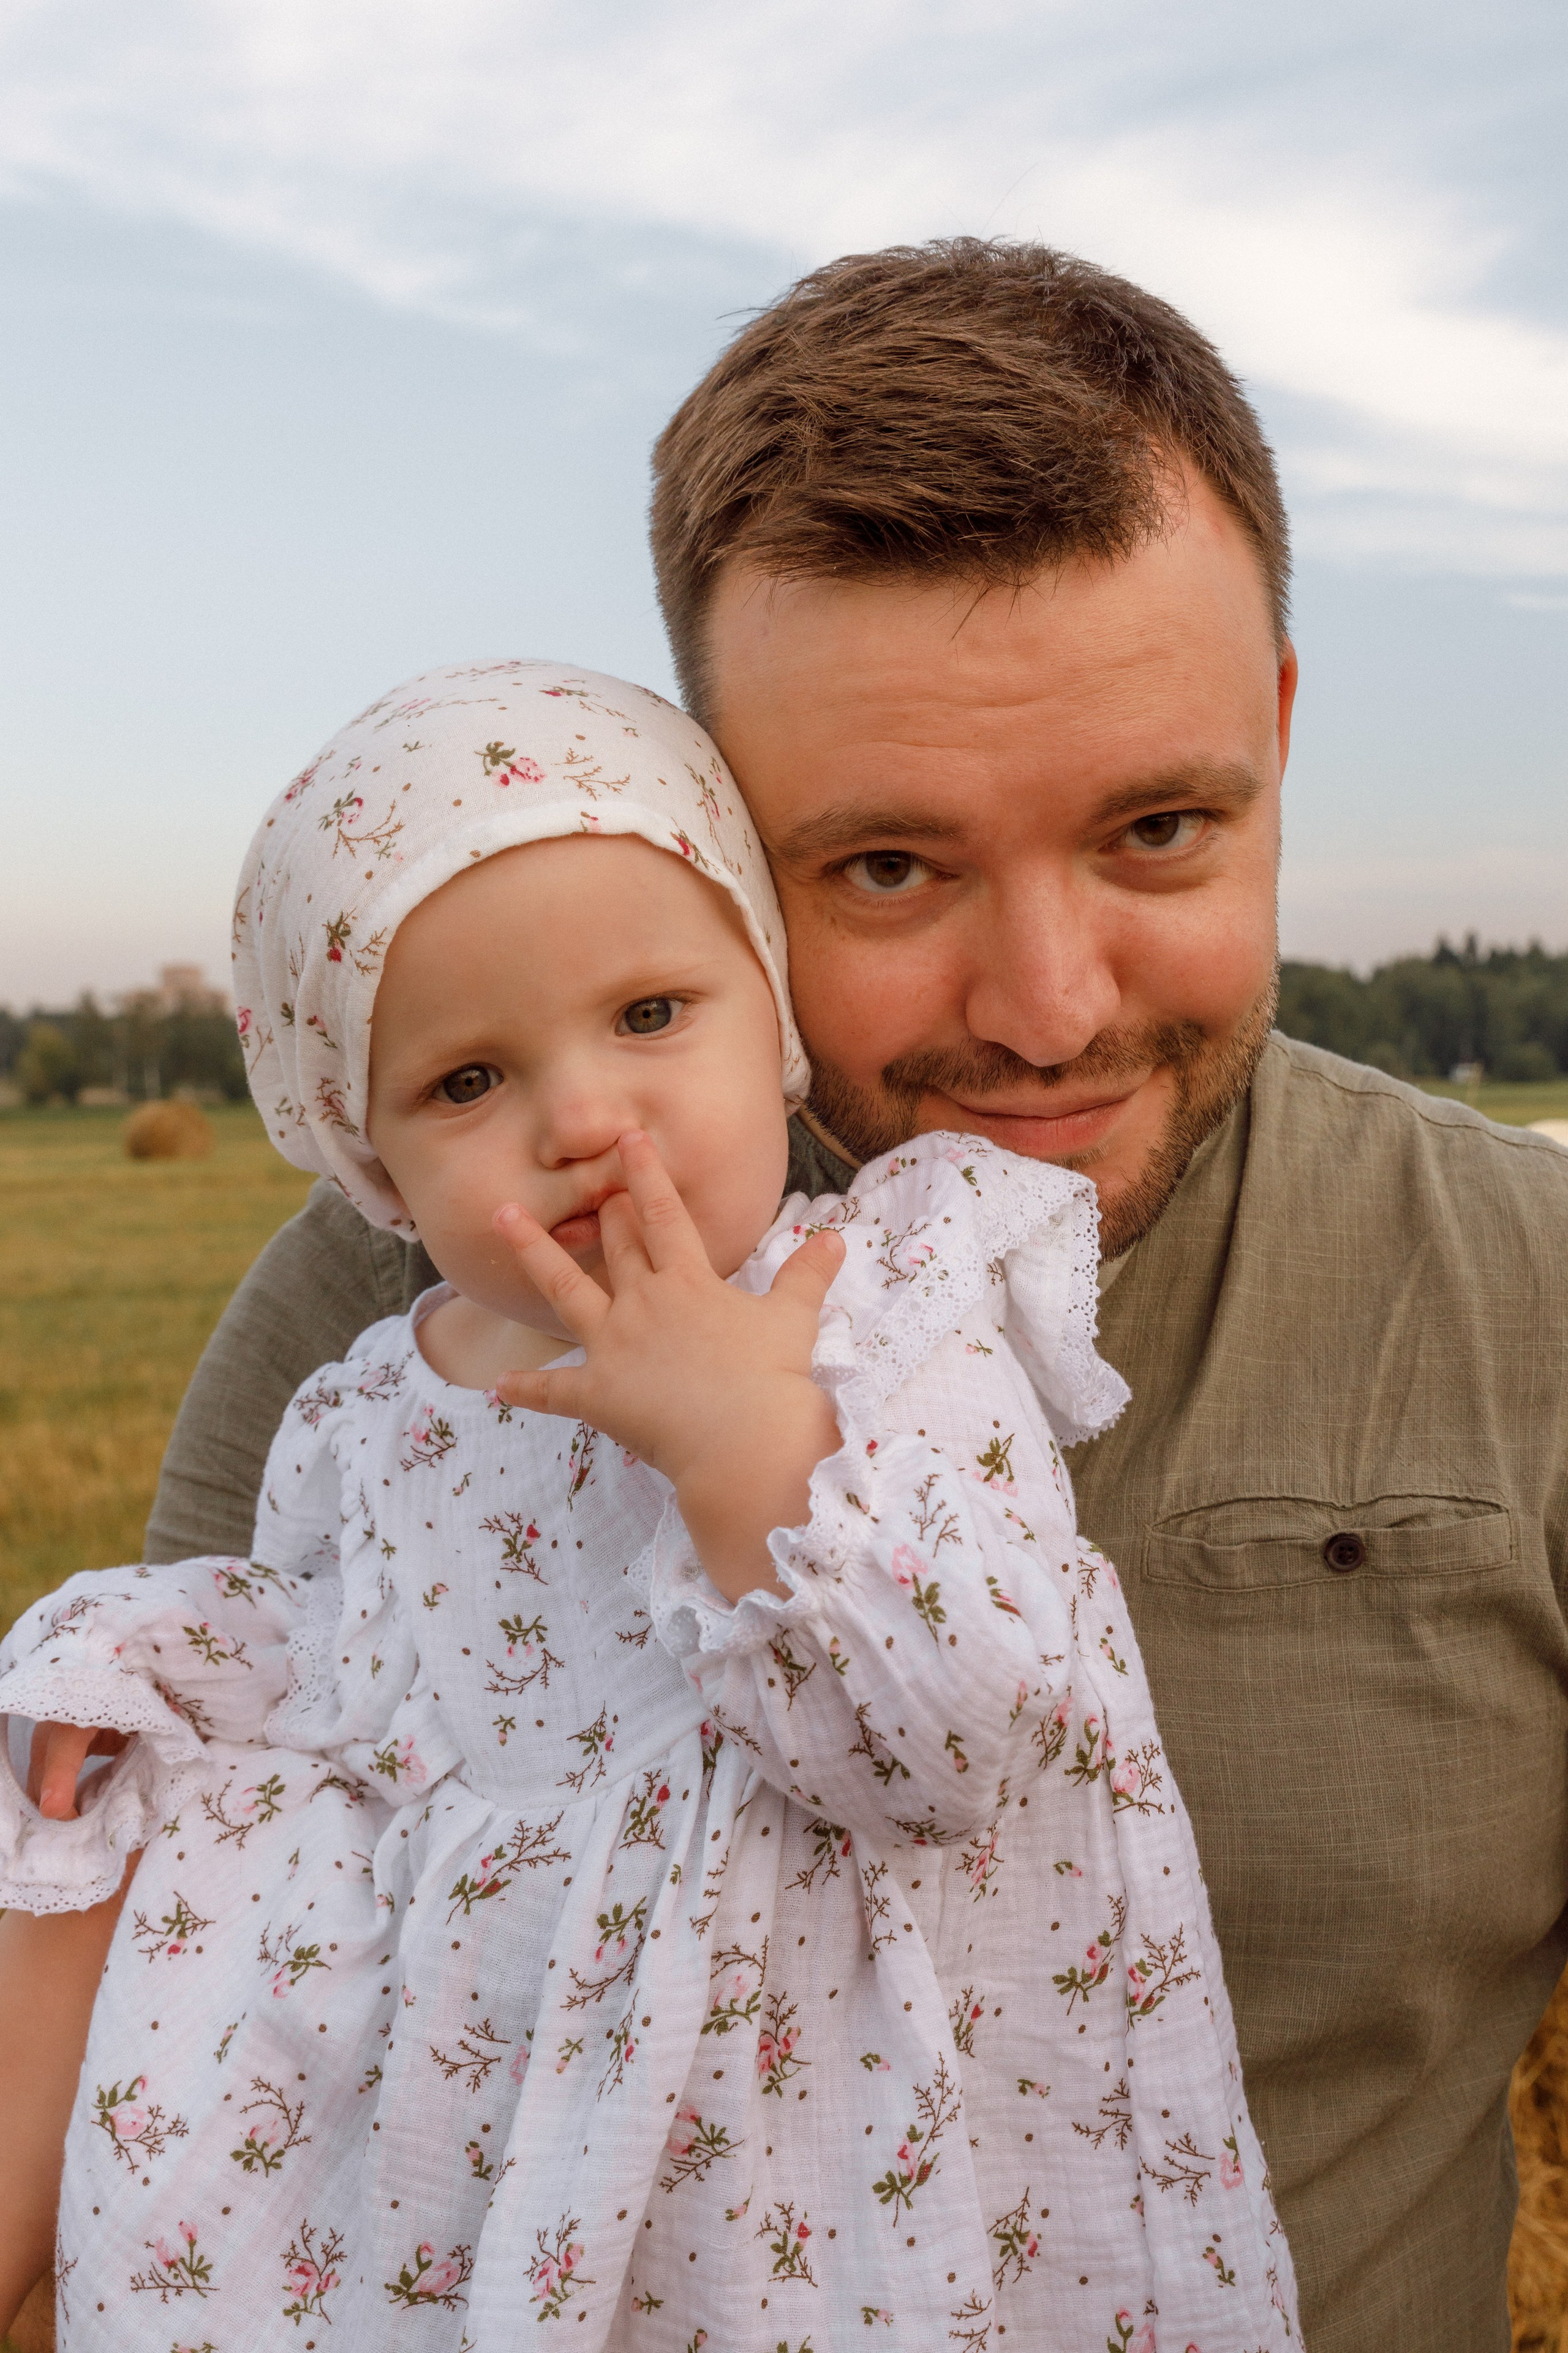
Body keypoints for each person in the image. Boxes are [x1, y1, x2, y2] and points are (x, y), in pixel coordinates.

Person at [8, 234, 1568, 2349]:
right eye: (890, 867)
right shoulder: (396, 1328)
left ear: (1278, 738)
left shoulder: (1524, 1292)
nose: (1048, 1008)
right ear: (721, 840)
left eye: (1159, 828)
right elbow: (158, 1991)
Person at [0, 662, 1297, 2348]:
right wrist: (151, 1667)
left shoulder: (883, 1308)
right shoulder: (372, 1404)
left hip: (807, 2150)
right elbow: (344, 1673)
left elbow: (958, 1738)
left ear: (777, 1027)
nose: (584, 1120)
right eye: (468, 1083)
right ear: (373, 1164)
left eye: (651, 1016)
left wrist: (748, 1444)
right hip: (496, 2133)